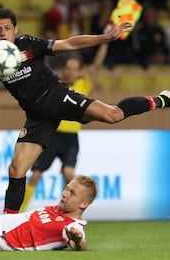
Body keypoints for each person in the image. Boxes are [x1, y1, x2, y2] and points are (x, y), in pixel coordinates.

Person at [0, 8, 170, 214]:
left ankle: (163, 99)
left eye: (6, 28)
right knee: (17, 169)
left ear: (15, 30)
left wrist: (105, 37)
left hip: (57, 97)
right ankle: (7, 227)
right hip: (37, 115)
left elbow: (69, 43)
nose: (2, 33)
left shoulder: (29, 45)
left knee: (113, 115)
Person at [20, 32, 109, 213]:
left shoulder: (84, 84)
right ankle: (18, 214)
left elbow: (97, 65)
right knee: (35, 175)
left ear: (78, 71)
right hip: (52, 135)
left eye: (74, 68)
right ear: (64, 69)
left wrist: (105, 42)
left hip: (70, 138)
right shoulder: (56, 84)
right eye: (68, 68)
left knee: (69, 175)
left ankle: (67, 212)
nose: (71, 71)